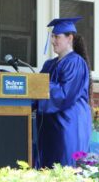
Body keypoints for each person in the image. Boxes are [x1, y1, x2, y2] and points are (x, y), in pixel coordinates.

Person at [34, 17, 92, 168]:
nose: (53, 40)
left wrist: (39, 83)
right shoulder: (49, 64)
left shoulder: (75, 62)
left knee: (66, 166)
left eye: (57, 37)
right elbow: (35, 90)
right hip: (50, 125)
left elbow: (65, 94)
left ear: (69, 38)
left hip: (68, 123)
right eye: (52, 36)